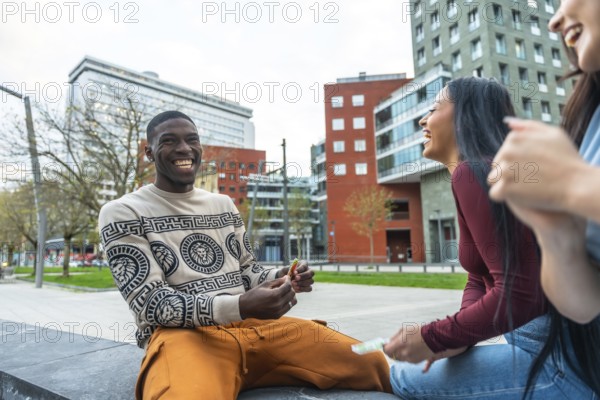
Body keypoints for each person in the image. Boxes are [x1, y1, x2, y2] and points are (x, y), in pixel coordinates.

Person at [98, 110, 392, 400]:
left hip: (255, 328)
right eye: (169, 141)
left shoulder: (223, 204)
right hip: (183, 337)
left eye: (191, 140)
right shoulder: (122, 212)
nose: (184, 148)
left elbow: (247, 271)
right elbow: (151, 305)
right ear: (149, 153)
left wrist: (282, 277)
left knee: (371, 362)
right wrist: (240, 305)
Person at [382, 77, 595, 399]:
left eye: (434, 108)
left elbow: (522, 294)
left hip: (565, 364)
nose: (423, 120)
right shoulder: (475, 173)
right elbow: (480, 277)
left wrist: (435, 337)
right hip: (538, 345)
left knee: (401, 375)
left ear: (465, 114)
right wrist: (458, 338)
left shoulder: (475, 174)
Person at [488, 0, 600, 395]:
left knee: (397, 376)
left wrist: (572, 184)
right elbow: (585, 304)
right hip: (584, 359)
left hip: (574, 370)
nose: (553, 21)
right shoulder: (590, 113)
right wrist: (553, 231)